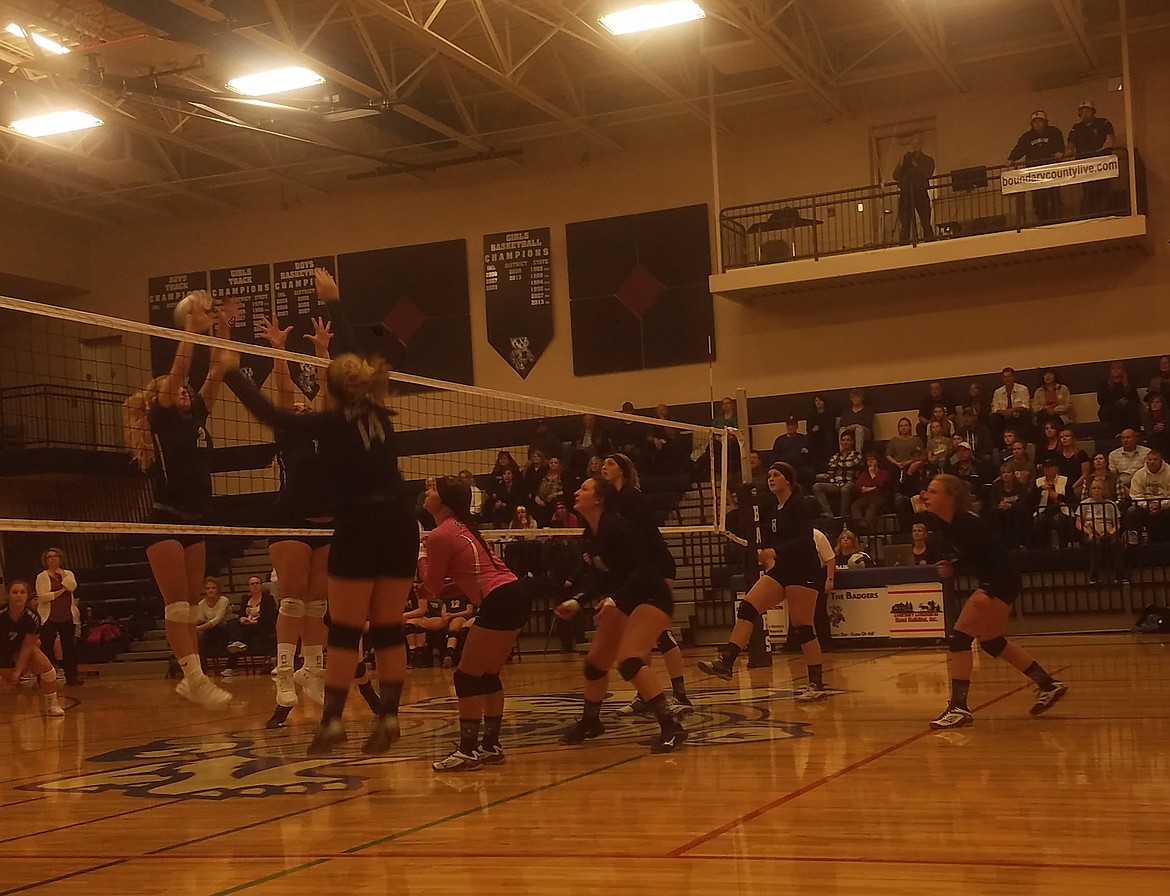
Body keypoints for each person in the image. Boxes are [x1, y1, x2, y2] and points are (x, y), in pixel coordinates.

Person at [223, 269, 418, 756]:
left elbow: (271, 415)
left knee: (347, 629)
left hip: (358, 524)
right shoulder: (379, 408)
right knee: (390, 626)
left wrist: (231, 372)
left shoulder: (328, 426)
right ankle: (388, 717)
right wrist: (335, 302)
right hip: (400, 522)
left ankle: (331, 723)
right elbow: (357, 357)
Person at [122, 293, 237, 710]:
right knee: (176, 606)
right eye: (178, 390)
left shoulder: (193, 418)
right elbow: (181, 368)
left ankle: (193, 680)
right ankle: (194, 676)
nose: (186, 391)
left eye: (188, 391)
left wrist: (223, 327)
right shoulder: (163, 416)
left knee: (190, 608)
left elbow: (218, 371)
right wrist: (190, 328)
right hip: (164, 519)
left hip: (195, 518)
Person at [921, 475, 1066, 729]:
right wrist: (956, 566)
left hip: (999, 581)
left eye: (933, 491)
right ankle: (1048, 684)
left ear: (950, 498)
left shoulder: (967, 522)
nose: (926, 495)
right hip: (1000, 582)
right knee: (992, 643)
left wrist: (988, 589)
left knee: (959, 638)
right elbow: (975, 554)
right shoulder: (947, 523)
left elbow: (999, 556)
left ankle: (958, 708)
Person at [558, 477, 688, 752]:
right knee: (595, 664)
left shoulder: (617, 526)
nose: (575, 492)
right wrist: (577, 601)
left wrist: (615, 600)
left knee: (629, 660)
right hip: (624, 599)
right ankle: (591, 721)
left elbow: (641, 569)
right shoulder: (590, 534)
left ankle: (671, 726)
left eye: (583, 488)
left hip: (651, 596)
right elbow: (599, 577)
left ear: (599, 499)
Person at [256, 312, 335, 727]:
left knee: (317, 604)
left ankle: (313, 671)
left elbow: (328, 390)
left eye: (308, 405)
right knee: (292, 600)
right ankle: (284, 675)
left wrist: (323, 350)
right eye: (298, 407)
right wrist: (279, 351)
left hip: (326, 523)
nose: (302, 407)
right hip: (289, 519)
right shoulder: (288, 429)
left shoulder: (327, 428)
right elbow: (285, 390)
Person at [422, 477, 533, 771]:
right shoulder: (462, 527)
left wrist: (421, 555)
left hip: (500, 598)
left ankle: (468, 751)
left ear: (443, 499)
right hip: (516, 592)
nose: (426, 491)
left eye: (432, 489)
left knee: (467, 677)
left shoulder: (440, 534)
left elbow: (432, 586)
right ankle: (490, 745)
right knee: (486, 675)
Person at [698, 462, 829, 701]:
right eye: (769, 475)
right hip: (783, 570)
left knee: (803, 627)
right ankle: (726, 661)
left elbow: (805, 542)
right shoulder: (775, 509)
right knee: (748, 606)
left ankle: (816, 684)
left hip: (804, 570)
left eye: (776, 475)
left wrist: (774, 553)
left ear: (788, 480)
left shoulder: (800, 504)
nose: (771, 479)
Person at [600, 453, 693, 715]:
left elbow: (642, 536)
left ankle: (681, 696)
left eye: (610, 464)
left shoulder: (631, 496)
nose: (604, 468)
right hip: (640, 569)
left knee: (660, 632)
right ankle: (644, 695)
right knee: (639, 633)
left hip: (657, 566)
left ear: (623, 470)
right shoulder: (614, 501)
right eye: (603, 464)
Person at [1, 580, 66, 717]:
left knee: (48, 671)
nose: (18, 595)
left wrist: (18, 671)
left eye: (22, 592)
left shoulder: (33, 618)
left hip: (18, 648)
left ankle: (52, 705)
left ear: (27, 596)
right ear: (8, 596)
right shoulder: (2, 613)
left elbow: (27, 647)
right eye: (14, 592)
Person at [1007, 111, 1066, 222]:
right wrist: (1011, 159)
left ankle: (1057, 220)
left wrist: (1060, 152)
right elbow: (1019, 149)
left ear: (1045, 122)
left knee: (1054, 196)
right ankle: (1043, 221)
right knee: (1038, 199)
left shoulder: (1054, 132)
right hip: (1035, 173)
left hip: (1052, 171)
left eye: (1040, 121)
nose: (1038, 124)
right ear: (1032, 124)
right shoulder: (1027, 137)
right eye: (1035, 122)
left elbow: (1060, 146)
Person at [35, 547, 81, 686]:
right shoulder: (42, 576)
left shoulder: (68, 574)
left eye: (55, 556)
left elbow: (72, 586)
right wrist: (60, 591)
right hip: (49, 617)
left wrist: (62, 575)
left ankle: (72, 677)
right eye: (50, 556)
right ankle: (45, 676)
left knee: (69, 648)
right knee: (46, 648)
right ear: (46, 560)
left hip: (67, 616)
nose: (53, 558)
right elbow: (43, 597)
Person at [1065, 100, 1116, 215]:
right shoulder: (1077, 128)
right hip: (1085, 165)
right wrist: (1068, 152)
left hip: (1102, 162)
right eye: (1082, 112)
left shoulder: (1103, 123)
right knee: (1088, 191)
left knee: (1104, 189)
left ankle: (1105, 213)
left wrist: (1105, 150)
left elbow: (1111, 140)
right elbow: (1070, 143)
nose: (1085, 114)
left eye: (1087, 111)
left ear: (1093, 111)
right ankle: (1092, 214)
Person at [1076, 479, 1126, 584]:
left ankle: (1119, 574)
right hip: (1091, 532)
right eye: (1094, 488)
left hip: (1107, 532)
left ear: (1104, 490)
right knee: (1095, 543)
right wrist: (1089, 532)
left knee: (1116, 542)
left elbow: (1117, 524)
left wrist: (1110, 532)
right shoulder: (1084, 504)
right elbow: (1078, 523)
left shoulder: (1110, 504)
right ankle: (1094, 575)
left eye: (1099, 488)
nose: (1096, 491)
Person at [893, 132, 935, 243]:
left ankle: (930, 244)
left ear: (922, 144)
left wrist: (915, 164)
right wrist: (902, 163)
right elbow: (895, 176)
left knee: (925, 222)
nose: (915, 145)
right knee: (905, 225)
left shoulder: (928, 160)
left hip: (920, 192)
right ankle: (904, 247)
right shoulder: (906, 159)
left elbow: (927, 174)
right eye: (913, 143)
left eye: (918, 143)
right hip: (906, 194)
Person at [813, 430, 862, 519]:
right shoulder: (835, 455)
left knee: (845, 489)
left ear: (852, 442)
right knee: (817, 486)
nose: (845, 442)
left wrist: (838, 464)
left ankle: (844, 516)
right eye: (843, 440)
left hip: (850, 482)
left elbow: (850, 464)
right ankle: (828, 513)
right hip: (835, 483)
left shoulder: (857, 454)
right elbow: (831, 468)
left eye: (848, 440)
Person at [1125, 449, 1170, 543]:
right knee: (1131, 511)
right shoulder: (1139, 474)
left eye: (1155, 459)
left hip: (1166, 506)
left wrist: (1161, 505)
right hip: (1145, 506)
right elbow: (1135, 494)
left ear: (1161, 460)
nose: (1152, 462)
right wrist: (1146, 505)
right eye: (1149, 460)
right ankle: (1136, 539)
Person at [1032, 457, 1075, 548]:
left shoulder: (1065, 480)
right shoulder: (1038, 482)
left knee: (1059, 519)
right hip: (1043, 510)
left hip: (1062, 510)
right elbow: (1031, 500)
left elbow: (1072, 499)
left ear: (1056, 468)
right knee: (1038, 520)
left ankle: (1062, 547)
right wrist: (1040, 490)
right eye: (1045, 467)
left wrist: (1059, 497)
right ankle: (1043, 548)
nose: (1047, 469)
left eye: (1050, 467)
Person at [986, 464, 1031, 549]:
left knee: (1022, 514)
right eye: (1003, 473)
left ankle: (1020, 544)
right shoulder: (996, 487)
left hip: (1017, 514)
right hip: (1001, 514)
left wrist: (1011, 505)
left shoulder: (1020, 486)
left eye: (1008, 472)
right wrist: (1000, 506)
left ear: (1013, 474)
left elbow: (1024, 501)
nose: (1006, 475)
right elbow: (993, 502)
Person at [1097, 361, 1141, 435]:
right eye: (1113, 368)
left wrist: (1125, 401)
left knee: (1131, 405)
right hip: (1109, 407)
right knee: (1116, 407)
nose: (1115, 370)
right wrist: (1116, 402)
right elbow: (1101, 400)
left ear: (1122, 370)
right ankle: (1117, 432)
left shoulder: (1128, 383)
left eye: (1118, 368)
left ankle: (1133, 431)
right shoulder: (1104, 384)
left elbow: (1135, 397)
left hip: (1126, 405)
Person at [851, 455, 893, 533]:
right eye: (868, 460)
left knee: (873, 505)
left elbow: (880, 484)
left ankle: (866, 527)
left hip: (881, 497)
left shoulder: (884, 473)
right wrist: (873, 488)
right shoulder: (863, 474)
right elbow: (858, 488)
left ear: (877, 461)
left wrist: (872, 474)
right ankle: (859, 526)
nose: (870, 461)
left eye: (872, 459)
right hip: (866, 497)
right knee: (855, 506)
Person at [990, 367, 1032, 443]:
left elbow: (1026, 406)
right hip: (1003, 417)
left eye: (1009, 376)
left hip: (1018, 416)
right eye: (1004, 377)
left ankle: (1025, 441)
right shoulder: (997, 392)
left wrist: (1013, 410)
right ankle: (999, 446)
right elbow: (994, 409)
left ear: (1013, 377)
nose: (1007, 379)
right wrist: (1004, 412)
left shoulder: (1023, 389)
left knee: (1026, 416)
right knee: (994, 418)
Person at [1108, 429, 1149, 498]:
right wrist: (1123, 488)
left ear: (1135, 438)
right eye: (1123, 438)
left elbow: (1148, 472)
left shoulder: (1146, 452)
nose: (1125, 440)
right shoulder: (1113, 455)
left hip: (1142, 485)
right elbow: (1113, 476)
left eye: (1128, 437)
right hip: (1122, 487)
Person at [1054, 428, 1091, 496]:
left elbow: (1085, 475)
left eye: (1067, 436)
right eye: (1062, 437)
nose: (1064, 438)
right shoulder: (1057, 456)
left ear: (1072, 439)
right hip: (1062, 484)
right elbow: (1056, 474)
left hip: (1078, 484)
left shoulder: (1081, 454)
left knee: (1076, 493)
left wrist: (1072, 488)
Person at [806, 395, 837, 470]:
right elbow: (808, 428)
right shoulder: (811, 414)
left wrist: (820, 428)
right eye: (816, 400)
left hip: (827, 434)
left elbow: (831, 426)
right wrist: (813, 430)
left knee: (829, 435)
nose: (818, 403)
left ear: (824, 402)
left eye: (820, 400)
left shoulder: (829, 413)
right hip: (815, 435)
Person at [1142, 392, 1170, 457]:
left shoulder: (1168, 415)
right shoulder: (1146, 417)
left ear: (1162, 404)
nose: (1155, 404)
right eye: (1153, 402)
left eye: (1157, 402)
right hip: (1153, 441)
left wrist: (1164, 429)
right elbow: (1148, 432)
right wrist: (1155, 430)